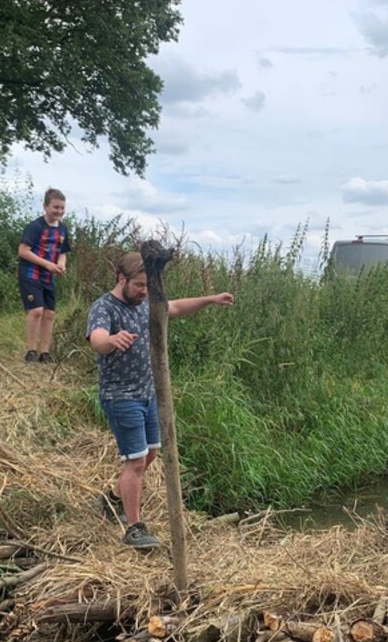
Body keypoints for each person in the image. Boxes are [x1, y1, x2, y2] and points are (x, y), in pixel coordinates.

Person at [87, 249, 235, 549]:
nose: (144, 292)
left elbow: (174, 307)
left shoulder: (146, 303)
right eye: (139, 285)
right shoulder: (104, 307)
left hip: (148, 394)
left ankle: (112, 499)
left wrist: (210, 299)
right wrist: (111, 340)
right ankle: (134, 528)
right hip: (120, 397)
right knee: (136, 462)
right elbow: (97, 338)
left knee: (150, 454)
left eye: (148, 286)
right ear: (121, 279)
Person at [18, 188, 70, 363]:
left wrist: (61, 264)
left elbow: (63, 252)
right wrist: (47, 264)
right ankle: (31, 351)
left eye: (62, 208)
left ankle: (45, 353)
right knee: (36, 311)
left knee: (49, 314)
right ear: (45, 206)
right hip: (30, 272)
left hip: (49, 276)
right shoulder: (35, 227)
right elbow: (23, 251)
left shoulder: (63, 229)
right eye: (56, 207)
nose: (59, 211)